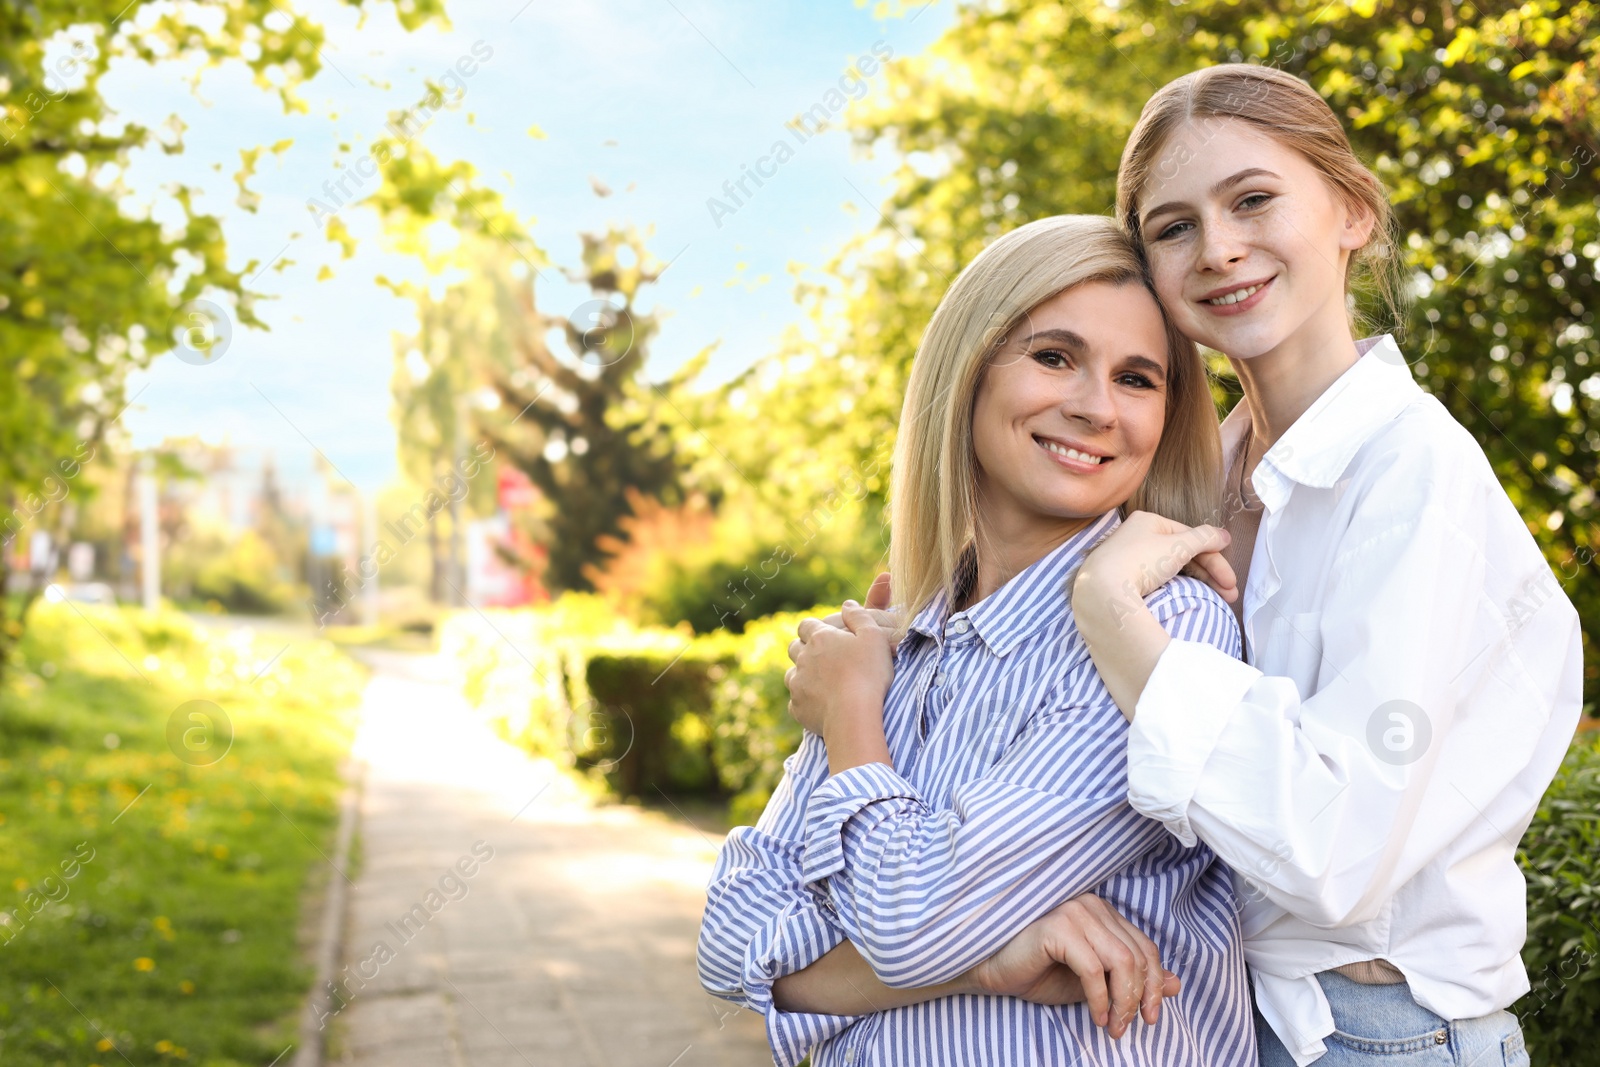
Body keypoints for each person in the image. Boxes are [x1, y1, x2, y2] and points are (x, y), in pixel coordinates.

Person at [798, 63, 1582, 1066]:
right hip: (1226, 1017)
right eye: (1171, 227)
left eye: (1253, 199)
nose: (1217, 248)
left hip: (1378, 1032)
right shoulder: (1198, 478)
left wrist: (1111, 617)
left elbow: (1333, 848)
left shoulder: (1409, 472)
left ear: (1348, 211)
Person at [697, 214, 1257, 1067]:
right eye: (1054, 356)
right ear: (970, 370)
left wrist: (851, 718)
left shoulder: (1164, 631)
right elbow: (729, 936)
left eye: (1137, 378)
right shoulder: (905, 635)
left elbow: (912, 922)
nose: (1095, 406)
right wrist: (986, 958)